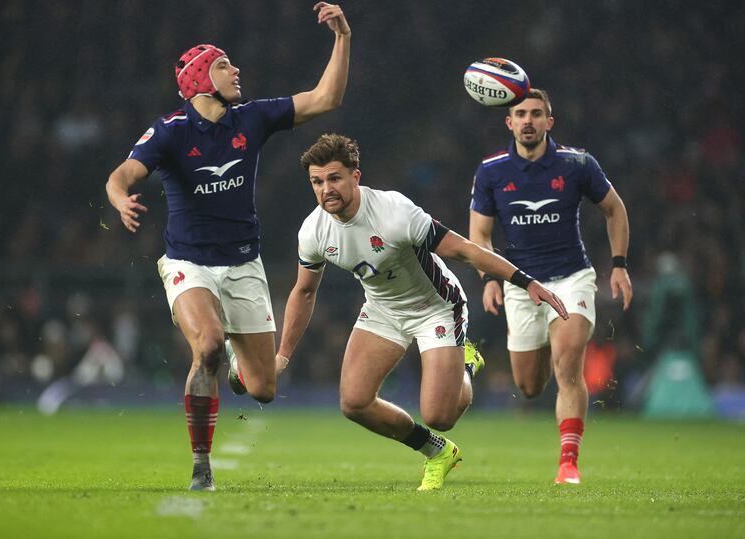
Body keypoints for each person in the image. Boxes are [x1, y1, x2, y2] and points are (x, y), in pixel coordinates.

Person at [105, 3, 351, 492]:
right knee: (209, 344)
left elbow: (326, 98)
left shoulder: (252, 118)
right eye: (223, 64)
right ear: (199, 80)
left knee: (262, 389)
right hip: (188, 262)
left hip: (243, 264)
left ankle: (240, 366)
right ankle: (202, 466)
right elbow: (121, 175)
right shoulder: (171, 130)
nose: (235, 70)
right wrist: (119, 200)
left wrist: (343, 37)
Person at [276, 134, 568, 490]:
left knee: (439, 415)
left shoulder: (394, 212)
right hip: (383, 309)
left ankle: (465, 364)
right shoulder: (314, 230)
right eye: (317, 182)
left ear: (356, 176)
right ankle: (438, 452)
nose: (326, 190)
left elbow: (463, 249)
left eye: (334, 178)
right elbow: (304, 292)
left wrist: (524, 280)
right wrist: (283, 356)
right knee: (354, 402)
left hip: (437, 309)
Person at [469, 89, 633, 485]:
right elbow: (479, 234)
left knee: (568, 360)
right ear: (509, 123)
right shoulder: (491, 171)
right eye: (520, 114)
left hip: (571, 276)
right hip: (520, 284)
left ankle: (568, 463)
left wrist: (619, 265)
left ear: (549, 122)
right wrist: (490, 277)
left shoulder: (577, 164)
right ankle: (537, 367)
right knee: (528, 386)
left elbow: (615, 208)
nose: (528, 120)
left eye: (536, 114)